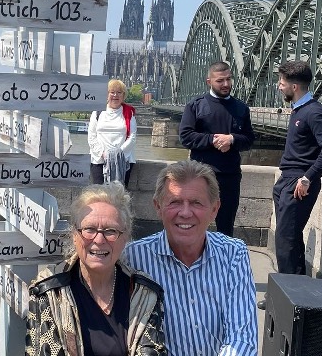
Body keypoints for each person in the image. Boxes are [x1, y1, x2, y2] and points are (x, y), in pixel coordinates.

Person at [124, 160, 258, 356]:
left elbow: (242, 338)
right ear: (158, 207)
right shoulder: (133, 258)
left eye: (196, 203)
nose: (185, 213)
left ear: (214, 209)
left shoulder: (233, 254)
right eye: (175, 202)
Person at [25, 182, 167, 356]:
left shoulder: (145, 294)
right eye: (89, 229)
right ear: (74, 235)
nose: (99, 240)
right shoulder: (48, 292)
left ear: (125, 239)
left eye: (110, 231)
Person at [272, 61, 322, 276]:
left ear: (294, 87)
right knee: (289, 239)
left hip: (298, 183)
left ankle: (287, 296)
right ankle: (293, 293)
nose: (279, 86)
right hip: (286, 180)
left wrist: (308, 177)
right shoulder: (298, 110)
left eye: (282, 83)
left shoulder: (313, 112)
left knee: (285, 240)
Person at [179, 61, 255, 237]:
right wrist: (212, 139)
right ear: (209, 81)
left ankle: (223, 261)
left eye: (229, 79)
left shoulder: (241, 108)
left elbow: (249, 140)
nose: (226, 84)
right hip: (201, 175)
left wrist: (232, 139)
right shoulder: (195, 105)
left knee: (226, 225)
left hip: (229, 175)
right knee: (194, 221)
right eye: (220, 80)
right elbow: (186, 136)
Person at [88, 79, 137, 186]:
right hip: (99, 159)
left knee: (118, 196)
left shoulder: (129, 112)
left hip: (122, 160)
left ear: (123, 96)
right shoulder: (97, 111)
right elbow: (91, 137)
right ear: (107, 94)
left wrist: (116, 154)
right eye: (112, 92)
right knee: (99, 194)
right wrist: (103, 153)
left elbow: (132, 137)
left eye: (119, 92)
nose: (115, 95)